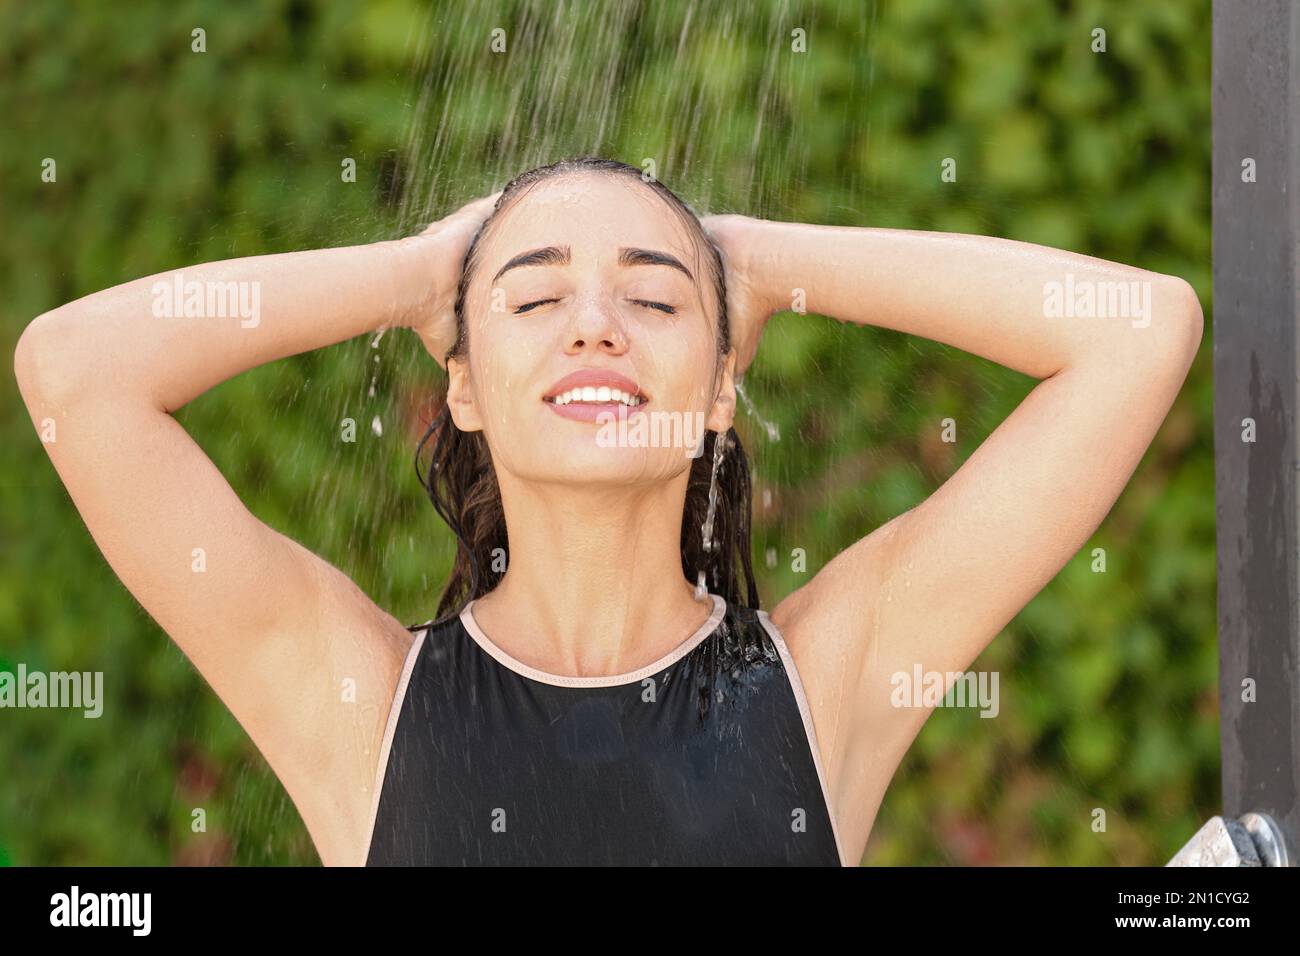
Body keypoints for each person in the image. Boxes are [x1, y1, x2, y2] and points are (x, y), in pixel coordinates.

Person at [14, 156, 1203, 866]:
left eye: (653, 295)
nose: (596, 323)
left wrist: (763, 259)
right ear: (463, 386)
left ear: (722, 383)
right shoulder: (356, 702)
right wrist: (415, 274)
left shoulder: (824, 681)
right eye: (535, 300)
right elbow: (75, 372)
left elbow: (1137, 333)